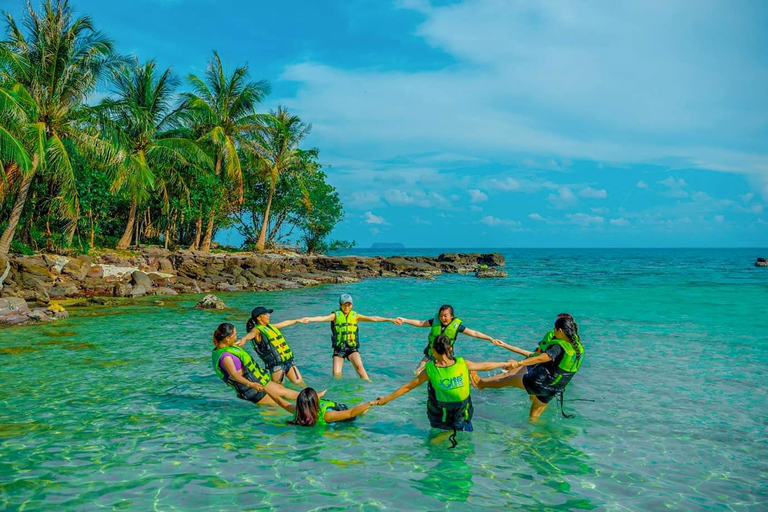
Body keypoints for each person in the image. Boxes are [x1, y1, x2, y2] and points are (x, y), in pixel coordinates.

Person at [375, 335, 516, 448]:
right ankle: (450, 436)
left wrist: (386, 399)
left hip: (451, 412)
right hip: (451, 412)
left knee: (444, 445)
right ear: (449, 349)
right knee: (457, 442)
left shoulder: (443, 366)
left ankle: (447, 437)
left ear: (434, 350)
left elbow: (408, 386)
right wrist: (504, 363)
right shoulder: (452, 364)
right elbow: (485, 365)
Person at [471, 314, 584, 421]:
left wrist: (518, 363)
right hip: (554, 389)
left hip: (538, 383)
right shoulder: (577, 349)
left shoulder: (558, 346)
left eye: (554, 329)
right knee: (534, 418)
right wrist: (506, 346)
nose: (553, 331)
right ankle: (536, 436)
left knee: (507, 380)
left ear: (560, 330)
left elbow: (542, 358)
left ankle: (481, 384)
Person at [211, 322, 322, 406]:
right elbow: (235, 376)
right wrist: (252, 385)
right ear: (227, 338)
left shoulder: (229, 347)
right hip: (251, 389)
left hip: (259, 380)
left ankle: (313, 398)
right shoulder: (226, 357)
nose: (236, 336)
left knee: (282, 391)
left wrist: (244, 339)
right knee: (279, 406)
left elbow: (243, 339)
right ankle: (306, 414)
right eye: (235, 335)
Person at [299, 293, 401, 381]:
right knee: (336, 374)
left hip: (352, 348)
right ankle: (338, 393)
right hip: (339, 349)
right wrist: (309, 319)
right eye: (345, 304)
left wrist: (390, 319)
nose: (347, 307)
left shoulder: (355, 316)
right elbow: (322, 318)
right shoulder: (335, 315)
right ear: (340, 305)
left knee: (360, 368)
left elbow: (374, 318)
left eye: (349, 304)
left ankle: (369, 387)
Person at [397, 304, 505, 374]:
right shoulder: (435, 322)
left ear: (452, 316)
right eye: (441, 316)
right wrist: (405, 320)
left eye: (445, 316)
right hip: (431, 353)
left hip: (446, 357)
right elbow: (420, 323)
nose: (443, 318)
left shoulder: (456, 326)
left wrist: (490, 338)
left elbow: (474, 333)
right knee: (417, 372)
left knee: (446, 374)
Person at [237, 306, 306, 386]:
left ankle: (311, 397)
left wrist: (297, 320)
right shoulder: (257, 330)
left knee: (300, 383)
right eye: (266, 314)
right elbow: (251, 334)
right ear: (259, 318)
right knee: (278, 388)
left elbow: (285, 323)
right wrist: (244, 339)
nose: (268, 315)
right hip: (276, 365)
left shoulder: (271, 327)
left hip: (287, 361)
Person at [263, 386, 376, 427]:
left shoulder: (327, 415)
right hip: (319, 408)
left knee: (361, 411)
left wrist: (369, 404)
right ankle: (319, 395)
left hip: (342, 415)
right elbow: (279, 400)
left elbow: (351, 413)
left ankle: (319, 395)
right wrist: (265, 389)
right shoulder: (298, 411)